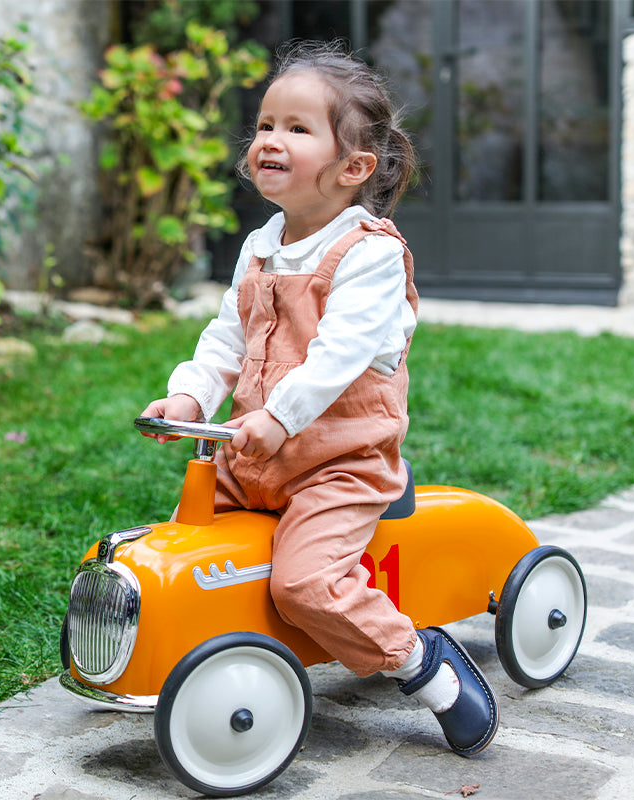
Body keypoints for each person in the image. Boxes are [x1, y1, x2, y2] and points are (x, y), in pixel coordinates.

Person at [141, 40, 498, 756]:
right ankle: (181, 660)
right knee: (180, 548)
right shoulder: (260, 247)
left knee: (305, 582)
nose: (271, 139)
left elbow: (340, 356)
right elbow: (226, 340)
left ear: (354, 167)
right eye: (266, 123)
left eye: (298, 128)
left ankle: (422, 665)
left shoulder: (369, 253)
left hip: (340, 462)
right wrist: (188, 398)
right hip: (258, 455)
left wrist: (277, 416)